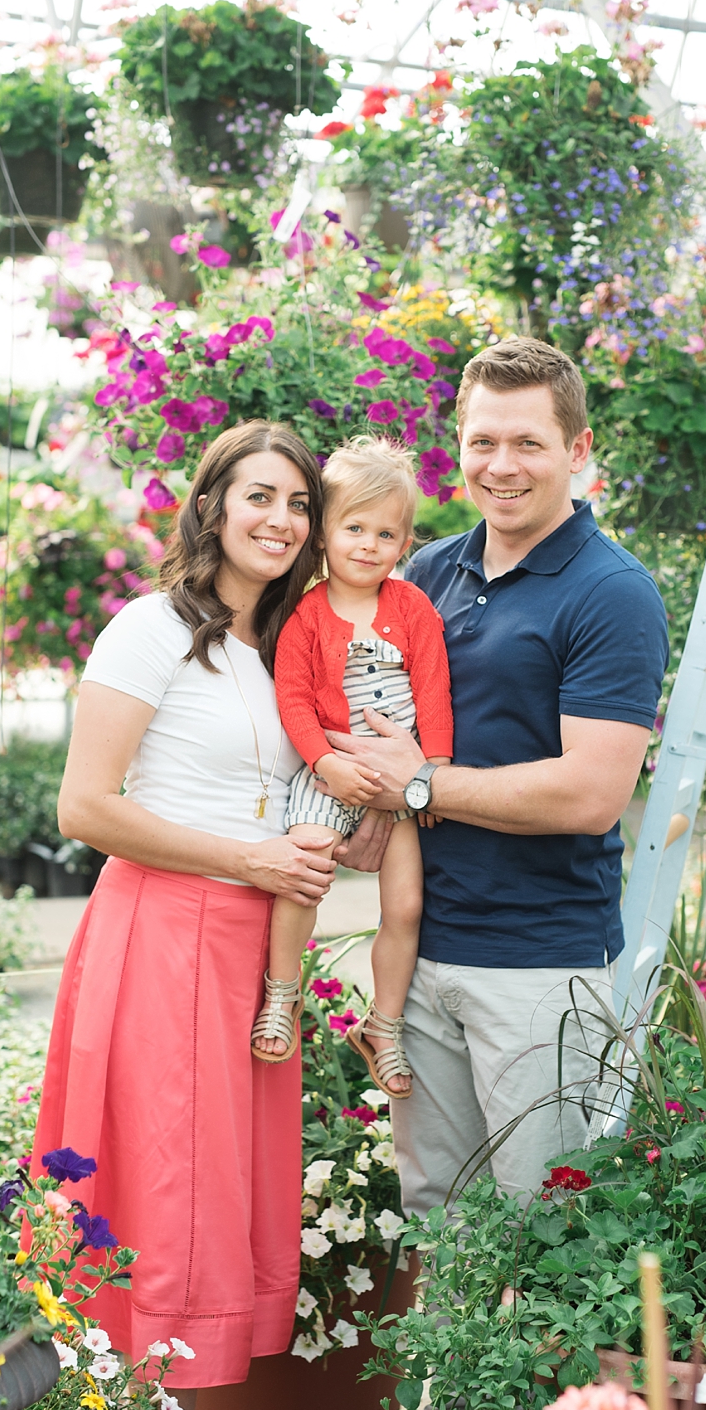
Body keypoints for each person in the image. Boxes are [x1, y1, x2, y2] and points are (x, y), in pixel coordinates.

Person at [315, 336, 667, 1410]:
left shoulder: (610, 590)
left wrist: (422, 787)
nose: (501, 463)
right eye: (480, 441)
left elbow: (589, 793)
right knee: (445, 1226)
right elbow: (384, 738)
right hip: (427, 946)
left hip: (540, 961)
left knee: (552, 1228)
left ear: (579, 451)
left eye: (527, 441)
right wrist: (368, 807)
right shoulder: (426, 570)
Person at [36, 421, 338, 1410]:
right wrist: (252, 861)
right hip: (162, 938)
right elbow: (84, 806)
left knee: (212, 1211)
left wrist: (320, 846)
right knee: (156, 1201)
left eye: (299, 504)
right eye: (259, 495)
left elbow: (281, 802)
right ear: (210, 505)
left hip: (251, 952)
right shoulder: (147, 629)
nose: (282, 519)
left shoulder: (286, 646)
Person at [262, 437, 453, 1094]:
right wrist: (325, 763)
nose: (369, 544)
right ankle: (281, 993)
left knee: (405, 905)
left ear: (404, 541)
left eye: (386, 533)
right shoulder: (307, 616)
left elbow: (434, 692)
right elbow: (292, 697)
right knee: (301, 875)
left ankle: (384, 1025)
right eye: (354, 528)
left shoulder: (413, 609)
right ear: (323, 534)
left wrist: (432, 774)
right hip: (330, 774)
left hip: (402, 784)